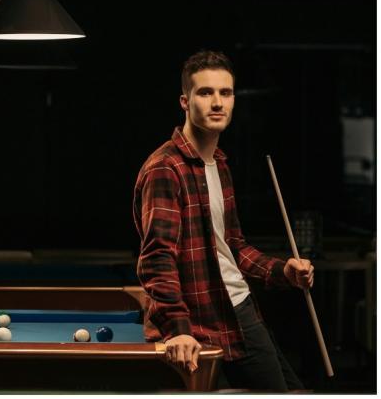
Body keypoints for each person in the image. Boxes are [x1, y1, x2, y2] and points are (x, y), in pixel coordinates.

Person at [132, 50, 314, 391]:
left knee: (295, 393)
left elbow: (233, 246)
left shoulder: (219, 163)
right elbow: (157, 259)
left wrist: (281, 270)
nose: (217, 102)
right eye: (205, 93)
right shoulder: (165, 168)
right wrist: (177, 328)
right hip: (201, 317)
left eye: (225, 93)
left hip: (239, 307)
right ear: (185, 102)